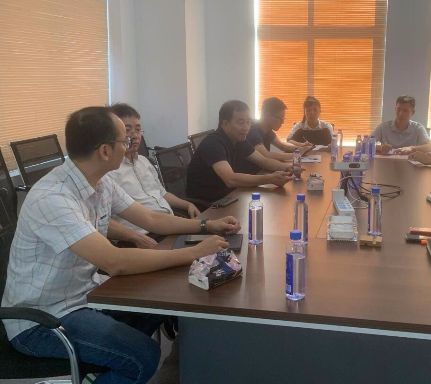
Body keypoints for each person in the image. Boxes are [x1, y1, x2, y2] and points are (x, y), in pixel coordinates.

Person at [1, 106, 239, 383]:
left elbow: (151, 218)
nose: (129, 143)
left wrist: (207, 225)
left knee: (157, 307)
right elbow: (115, 261)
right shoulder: (52, 198)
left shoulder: (101, 183)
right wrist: (194, 253)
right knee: (142, 357)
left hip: (86, 294)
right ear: (105, 151)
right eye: (123, 140)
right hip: (43, 320)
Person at [107, 103, 202, 242]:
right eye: (127, 130)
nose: (135, 136)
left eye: (138, 130)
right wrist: (135, 237)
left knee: (216, 241)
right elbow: (105, 220)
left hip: (169, 223)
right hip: (143, 235)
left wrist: (187, 205)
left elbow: (162, 193)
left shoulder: (144, 161)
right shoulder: (109, 171)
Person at [187, 100, 294, 203]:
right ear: (225, 124)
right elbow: (230, 179)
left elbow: (264, 161)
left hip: (230, 196)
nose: (246, 128)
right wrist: (270, 179)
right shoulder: (213, 143)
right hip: (207, 205)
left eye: (248, 122)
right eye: (241, 123)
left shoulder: (239, 140)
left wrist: (289, 169)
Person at [247, 97, 313, 161]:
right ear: (268, 115)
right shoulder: (253, 131)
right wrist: (296, 154)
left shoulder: (267, 130)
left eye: (283, 118)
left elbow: (282, 146)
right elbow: (267, 155)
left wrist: (301, 148)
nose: (282, 122)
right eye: (280, 118)